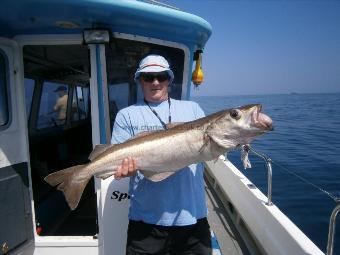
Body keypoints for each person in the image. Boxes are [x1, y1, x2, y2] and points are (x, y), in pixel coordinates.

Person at [111, 54, 212, 255]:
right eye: (148, 77)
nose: (155, 82)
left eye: (161, 76)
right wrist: (124, 171)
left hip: (192, 216)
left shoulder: (193, 109)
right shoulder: (126, 115)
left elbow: (209, 151)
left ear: (169, 79)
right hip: (146, 221)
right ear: (140, 80)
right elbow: (120, 165)